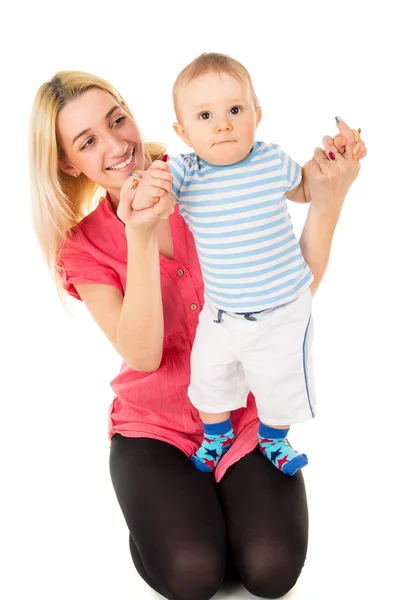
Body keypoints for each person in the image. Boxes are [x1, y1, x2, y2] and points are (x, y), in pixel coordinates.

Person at [29, 69, 366, 600]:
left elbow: (284, 294)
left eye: (119, 121)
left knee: (270, 571)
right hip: (154, 425)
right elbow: (141, 355)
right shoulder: (82, 247)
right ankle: (166, 520)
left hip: (238, 410)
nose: (117, 145)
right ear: (69, 164)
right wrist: (137, 236)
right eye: (88, 141)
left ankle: (213, 504)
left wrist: (327, 199)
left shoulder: (208, 176)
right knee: (193, 576)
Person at [131, 52, 366, 476]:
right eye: (205, 115)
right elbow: (161, 199)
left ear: (256, 115)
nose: (222, 124)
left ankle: (274, 440)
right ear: (183, 132)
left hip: (283, 307)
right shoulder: (186, 171)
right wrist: (151, 189)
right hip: (221, 311)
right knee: (207, 379)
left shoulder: (271, 159)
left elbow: (308, 190)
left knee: (283, 384)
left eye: (235, 110)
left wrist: (337, 157)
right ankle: (216, 435)